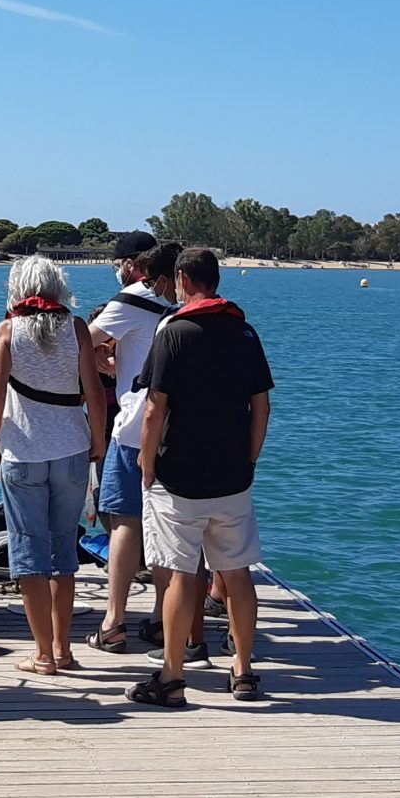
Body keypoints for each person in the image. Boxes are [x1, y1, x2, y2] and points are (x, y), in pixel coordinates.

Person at [128, 247, 274, 707]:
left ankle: (172, 677)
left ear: (183, 281)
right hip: (232, 475)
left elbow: (155, 407)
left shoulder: (174, 332)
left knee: (177, 576)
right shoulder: (245, 333)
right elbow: (261, 406)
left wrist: (147, 464)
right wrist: (248, 461)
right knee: (237, 572)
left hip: (178, 476)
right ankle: (244, 670)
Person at [0, 254, 111, 674]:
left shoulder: (7, 330)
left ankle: (41, 655)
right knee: (63, 552)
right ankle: (63, 649)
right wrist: (97, 443)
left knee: (29, 555)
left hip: (23, 454)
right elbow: (93, 393)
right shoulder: (76, 328)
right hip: (72, 450)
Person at [84, 234, 179, 651]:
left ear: (138, 265)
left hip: (133, 427)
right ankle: (163, 617)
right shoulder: (185, 307)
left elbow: (79, 341)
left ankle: (114, 620)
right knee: (165, 525)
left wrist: (104, 362)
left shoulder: (131, 300)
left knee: (124, 522)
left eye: (119, 261)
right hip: (178, 430)